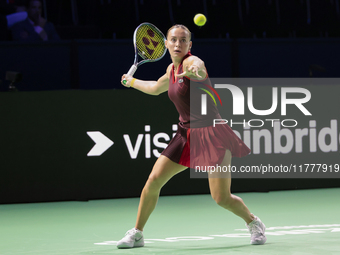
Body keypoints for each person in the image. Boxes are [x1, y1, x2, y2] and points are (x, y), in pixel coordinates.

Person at [118, 24, 267, 249]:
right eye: (173, 40)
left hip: (212, 134)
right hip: (184, 134)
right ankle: (137, 233)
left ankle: (253, 222)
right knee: (154, 180)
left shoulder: (190, 63)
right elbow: (156, 87)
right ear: (165, 43)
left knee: (221, 198)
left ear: (190, 44)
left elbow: (199, 67)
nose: (178, 44)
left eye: (183, 40)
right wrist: (132, 82)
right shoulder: (171, 70)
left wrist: (195, 71)